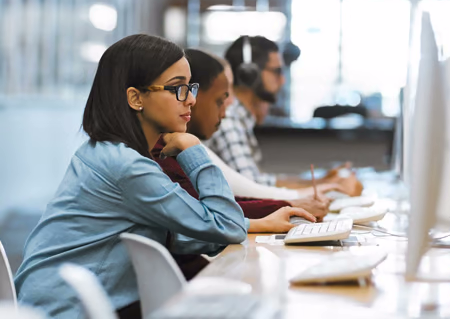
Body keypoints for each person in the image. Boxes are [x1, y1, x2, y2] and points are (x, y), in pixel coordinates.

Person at [13, 34, 311, 319]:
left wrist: (255, 224)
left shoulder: (108, 152)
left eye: (190, 87)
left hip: (49, 303)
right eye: (177, 88)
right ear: (135, 98)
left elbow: (171, 231)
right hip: (69, 310)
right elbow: (225, 226)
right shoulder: (127, 167)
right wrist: (194, 150)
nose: (191, 100)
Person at [153, 49, 332, 221]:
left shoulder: (172, 145)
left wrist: (283, 209)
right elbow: (210, 215)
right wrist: (289, 205)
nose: (231, 102)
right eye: (179, 89)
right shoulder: (160, 153)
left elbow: (217, 208)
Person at [207, 35, 362, 195]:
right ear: (250, 74)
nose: (282, 80)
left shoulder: (240, 119)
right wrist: (328, 186)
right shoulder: (229, 120)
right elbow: (254, 190)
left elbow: (260, 181)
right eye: (277, 71)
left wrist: (322, 181)